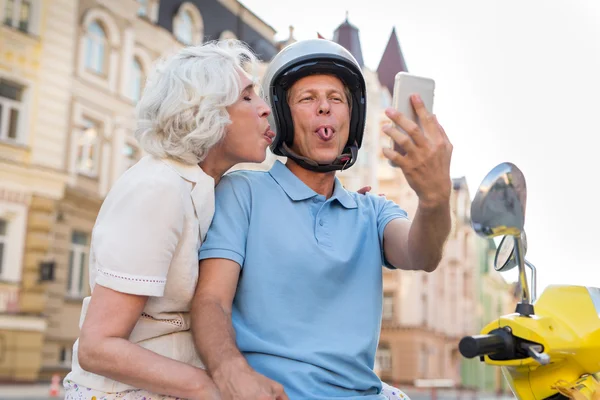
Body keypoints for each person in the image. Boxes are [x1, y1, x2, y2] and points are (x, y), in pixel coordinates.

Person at [191, 39, 452, 400]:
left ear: (353, 118)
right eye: (308, 98)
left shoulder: (373, 211)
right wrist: (230, 371)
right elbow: (211, 301)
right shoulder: (243, 191)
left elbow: (423, 254)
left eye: (337, 98)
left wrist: (435, 198)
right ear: (282, 116)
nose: (325, 108)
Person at [63, 40, 274, 400]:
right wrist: (215, 390)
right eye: (247, 97)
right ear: (206, 111)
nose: (265, 109)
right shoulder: (157, 188)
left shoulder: (211, 187)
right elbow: (97, 346)